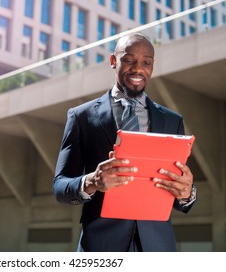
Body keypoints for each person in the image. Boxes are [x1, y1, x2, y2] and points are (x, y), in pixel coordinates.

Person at [53, 32, 196, 252]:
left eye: (146, 62)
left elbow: (177, 192)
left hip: (158, 246)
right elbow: (60, 186)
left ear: (152, 65)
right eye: (129, 60)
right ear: (113, 61)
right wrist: (92, 182)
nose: (138, 69)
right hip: (101, 245)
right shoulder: (81, 116)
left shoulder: (173, 121)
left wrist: (187, 193)